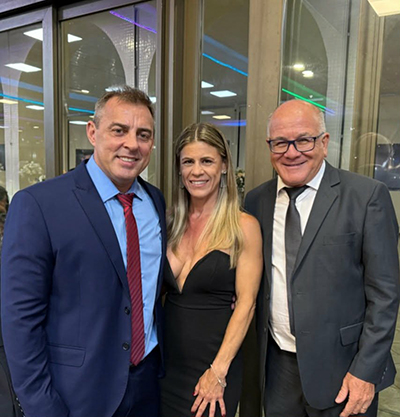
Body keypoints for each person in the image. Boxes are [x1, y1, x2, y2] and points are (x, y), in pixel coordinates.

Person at [1, 86, 166, 417]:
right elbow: (20, 320)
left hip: (148, 386)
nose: (132, 144)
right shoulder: (39, 204)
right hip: (76, 395)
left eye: (143, 134)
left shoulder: (155, 201)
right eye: (118, 130)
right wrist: (42, 407)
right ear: (92, 132)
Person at [245, 99, 400, 417]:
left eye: (303, 140)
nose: (291, 152)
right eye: (280, 142)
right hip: (278, 370)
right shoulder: (256, 201)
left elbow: (385, 296)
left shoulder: (366, 197)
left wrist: (365, 372)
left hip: (344, 370)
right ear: (269, 146)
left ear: (324, 143)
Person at [161, 122, 263, 417]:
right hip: (166, 365)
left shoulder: (243, 226)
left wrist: (218, 371)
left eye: (207, 161)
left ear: (224, 166)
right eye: (188, 162)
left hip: (214, 367)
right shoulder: (169, 222)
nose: (196, 171)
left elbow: (246, 304)